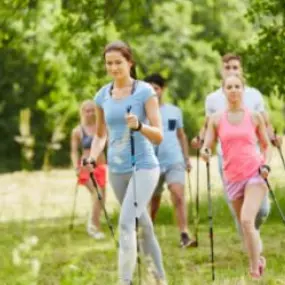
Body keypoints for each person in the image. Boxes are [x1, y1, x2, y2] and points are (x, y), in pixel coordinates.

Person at [84, 41, 166, 285]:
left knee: (126, 221)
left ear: (130, 63)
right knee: (145, 226)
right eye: (109, 63)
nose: (113, 67)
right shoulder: (102, 95)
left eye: (118, 62)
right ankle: (160, 280)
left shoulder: (144, 92)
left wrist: (140, 126)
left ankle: (124, 281)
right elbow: (101, 135)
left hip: (144, 166)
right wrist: (92, 156)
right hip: (117, 169)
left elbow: (159, 133)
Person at [192, 53, 282, 233]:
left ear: (241, 70)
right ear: (221, 70)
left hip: (252, 157)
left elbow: (265, 122)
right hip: (226, 158)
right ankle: (249, 243)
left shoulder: (254, 95)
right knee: (239, 211)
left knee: (262, 210)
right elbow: (207, 125)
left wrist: (273, 138)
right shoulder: (213, 98)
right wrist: (201, 143)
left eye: (235, 67)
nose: (231, 70)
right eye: (227, 67)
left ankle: (250, 233)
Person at [201, 73, 271, 279]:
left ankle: (253, 269)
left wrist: (266, 164)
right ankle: (258, 258)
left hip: (255, 173)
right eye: (229, 87)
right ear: (223, 91)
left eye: (237, 86)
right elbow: (207, 145)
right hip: (232, 177)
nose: (233, 90)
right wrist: (205, 153)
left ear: (243, 89)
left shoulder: (254, 117)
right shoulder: (215, 119)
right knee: (244, 224)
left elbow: (266, 146)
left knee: (247, 221)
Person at [144, 73, 196, 248]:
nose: (153, 92)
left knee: (178, 194)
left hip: (174, 159)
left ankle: (184, 233)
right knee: (153, 200)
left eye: (156, 88)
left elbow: (181, 135)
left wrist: (186, 158)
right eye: (150, 88)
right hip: (151, 162)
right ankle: (146, 233)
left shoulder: (174, 111)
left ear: (162, 90)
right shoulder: (142, 112)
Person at [70, 100, 107, 239]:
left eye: (93, 110)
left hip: (101, 166)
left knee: (101, 198)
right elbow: (74, 152)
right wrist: (76, 168)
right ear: (82, 112)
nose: (90, 113)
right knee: (97, 194)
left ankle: (95, 224)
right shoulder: (77, 131)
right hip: (86, 168)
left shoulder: (102, 127)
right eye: (87, 110)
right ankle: (92, 226)